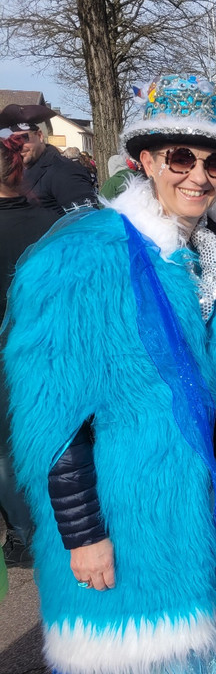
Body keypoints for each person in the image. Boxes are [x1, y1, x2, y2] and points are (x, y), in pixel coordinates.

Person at [3, 74, 216, 674]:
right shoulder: (87, 256)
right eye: (180, 156)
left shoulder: (214, 253)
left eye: (214, 159)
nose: (198, 175)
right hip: (128, 517)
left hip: (206, 511)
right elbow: (53, 415)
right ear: (145, 160)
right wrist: (83, 533)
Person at [0, 133, 59, 568]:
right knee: (49, 440)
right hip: (50, 349)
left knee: (5, 450)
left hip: (8, 352)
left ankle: (26, 538)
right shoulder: (51, 222)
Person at [0, 103, 96, 214]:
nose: (19, 145)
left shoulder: (64, 171)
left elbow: (87, 222)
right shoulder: (15, 172)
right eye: (13, 141)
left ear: (40, 136)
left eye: (24, 138)